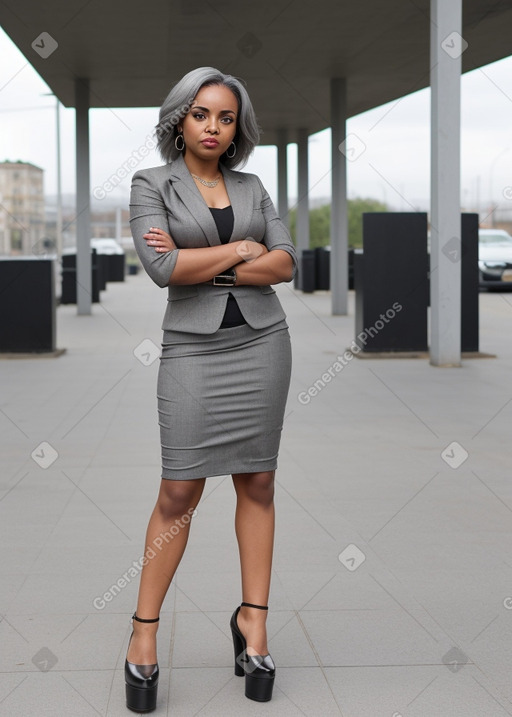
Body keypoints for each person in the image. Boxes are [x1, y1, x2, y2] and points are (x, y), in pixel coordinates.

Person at [125, 66, 297, 712]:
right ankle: (144, 633)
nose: (213, 127)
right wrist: (242, 249)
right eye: (201, 114)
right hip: (193, 349)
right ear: (180, 119)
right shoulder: (152, 184)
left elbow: (286, 263)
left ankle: (253, 620)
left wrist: (212, 258)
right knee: (179, 489)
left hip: (262, 344)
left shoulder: (253, 185)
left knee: (258, 481)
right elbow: (164, 269)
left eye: (225, 117)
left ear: (237, 127)